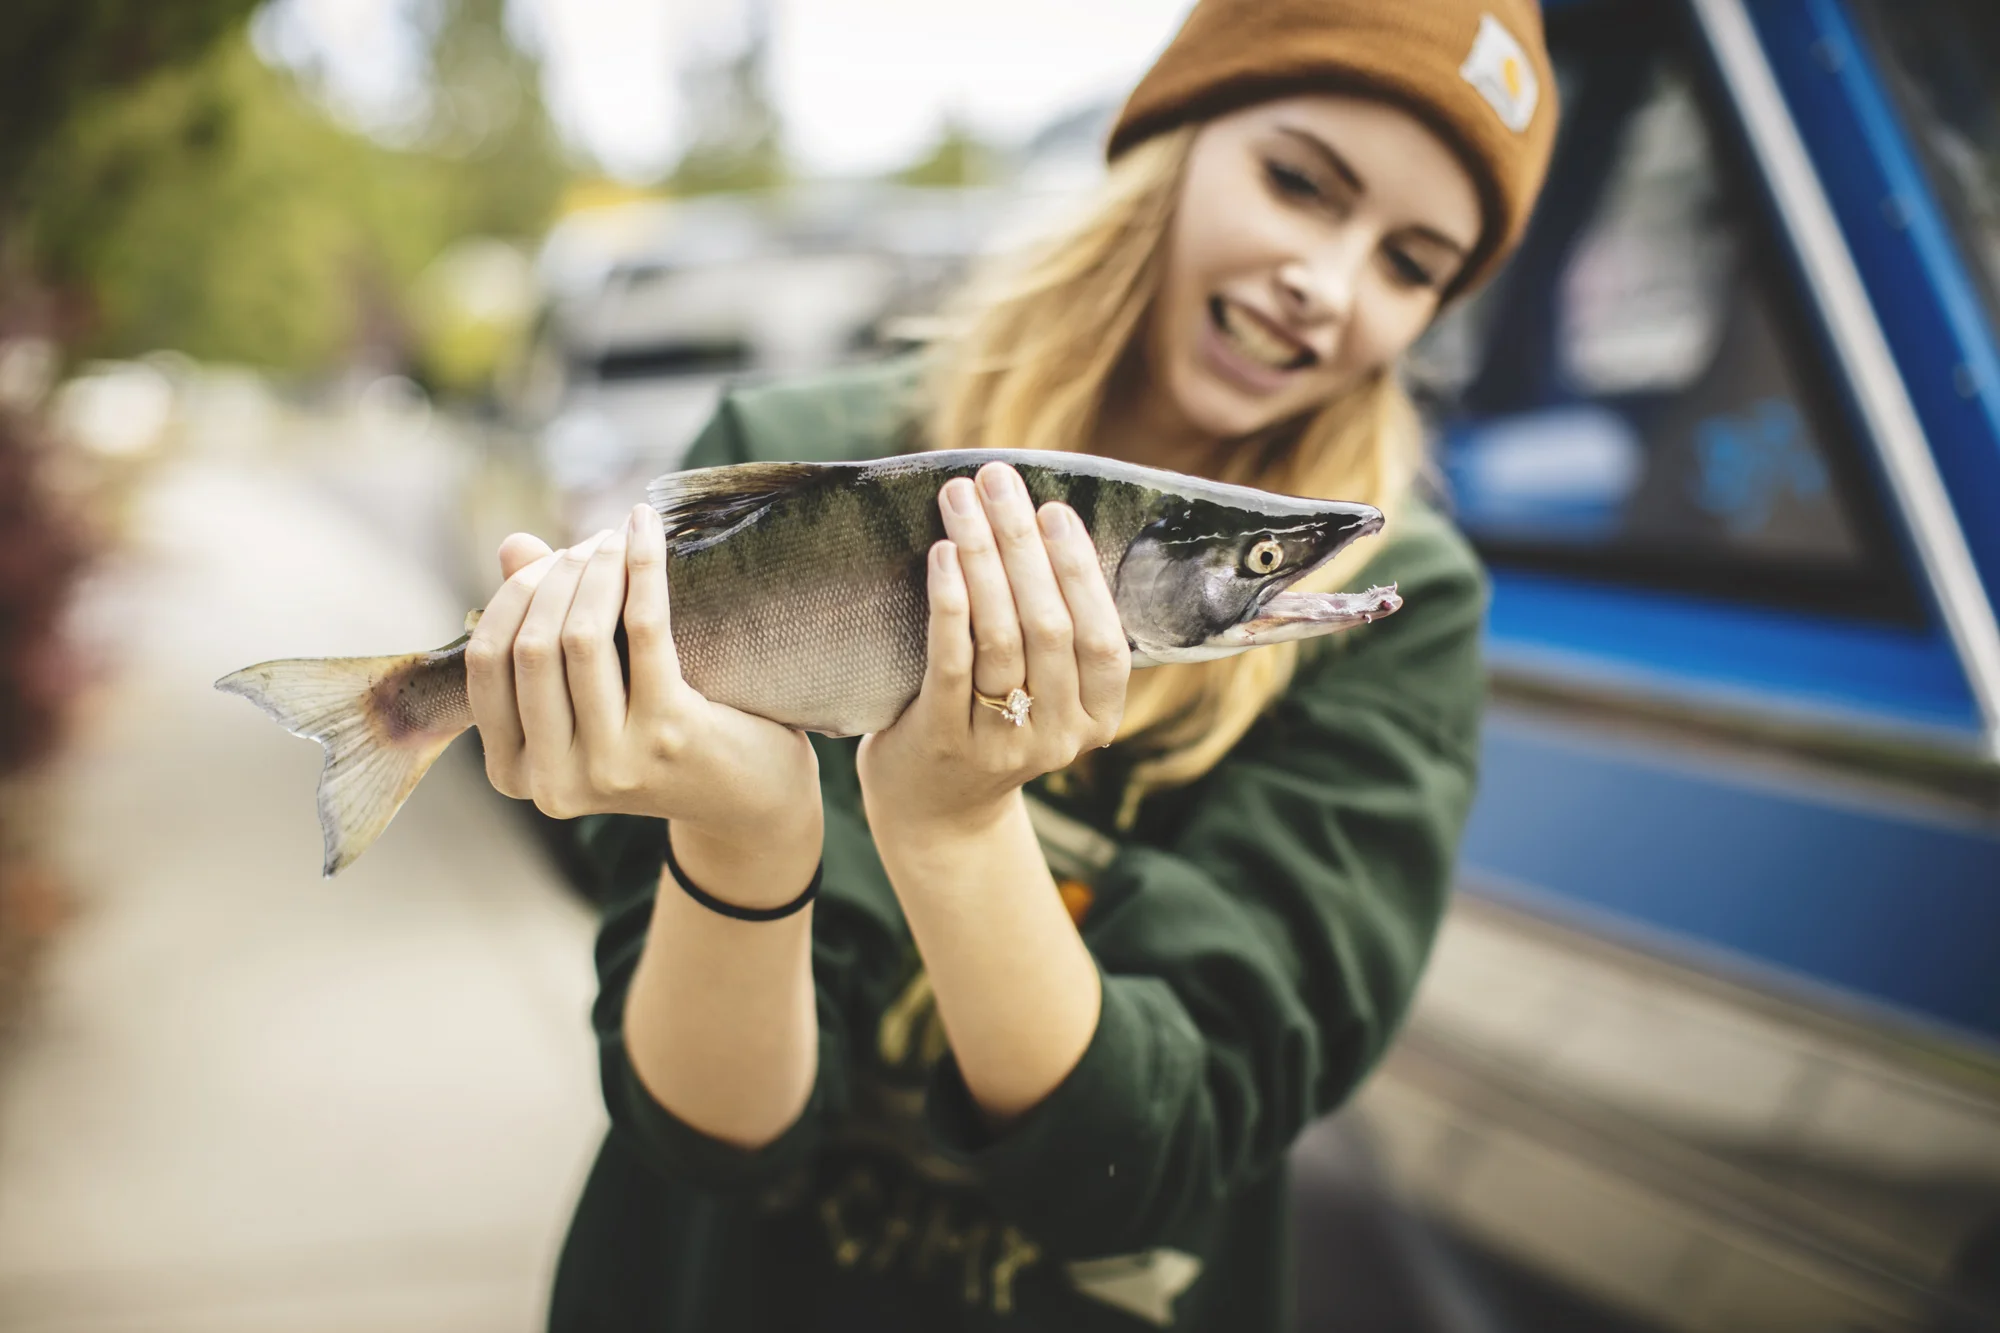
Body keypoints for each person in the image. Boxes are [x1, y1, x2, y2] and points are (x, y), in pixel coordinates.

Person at [469, 1, 1557, 1327]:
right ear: (1168, 147)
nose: (1325, 283)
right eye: (1298, 182)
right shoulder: (794, 453)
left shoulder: (1400, 604)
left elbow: (1159, 1155)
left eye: (1410, 263)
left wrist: (959, 830)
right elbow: (706, 1137)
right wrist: (746, 832)